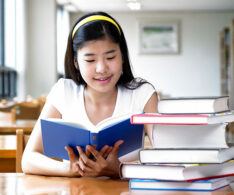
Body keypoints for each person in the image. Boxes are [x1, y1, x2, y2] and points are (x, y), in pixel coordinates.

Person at [22, 12, 158, 178]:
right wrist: (70, 170)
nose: (101, 68)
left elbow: (169, 160)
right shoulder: (64, 91)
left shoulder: (142, 94)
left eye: (110, 57)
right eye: (90, 60)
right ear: (76, 63)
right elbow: (28, 159)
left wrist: (121, 169)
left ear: (122, 56)